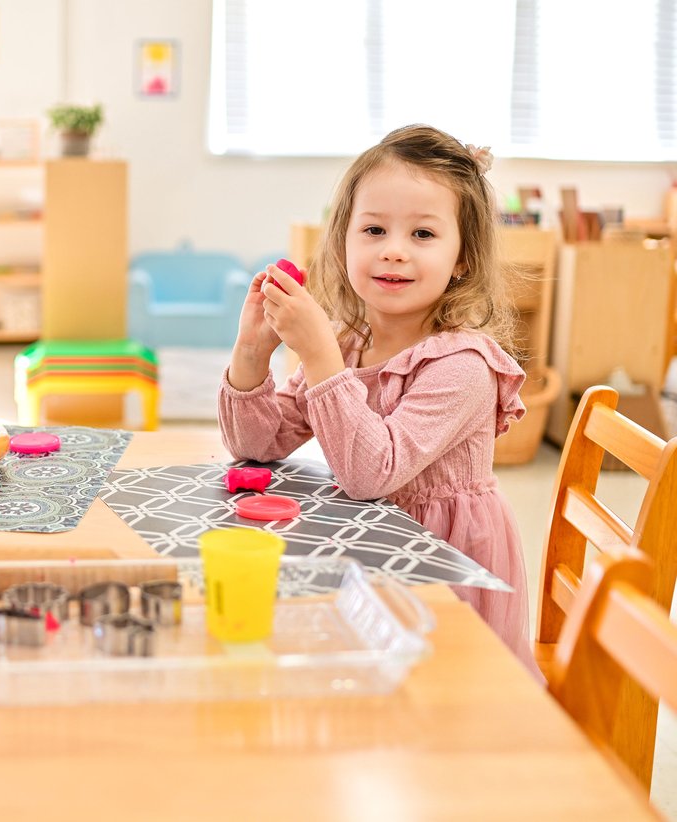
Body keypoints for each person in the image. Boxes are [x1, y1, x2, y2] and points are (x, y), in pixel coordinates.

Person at [219, 124, 538, 676]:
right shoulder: (351, 344)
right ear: (343, 242)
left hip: (444, 562)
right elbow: (257, 446)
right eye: (373, 229)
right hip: (371, 548)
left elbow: (373, 472)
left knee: (437, 697)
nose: (393, 251)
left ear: (462, 257)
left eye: (422, 235)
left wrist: (319, 356)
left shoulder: (463, 366)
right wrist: (252, 352)